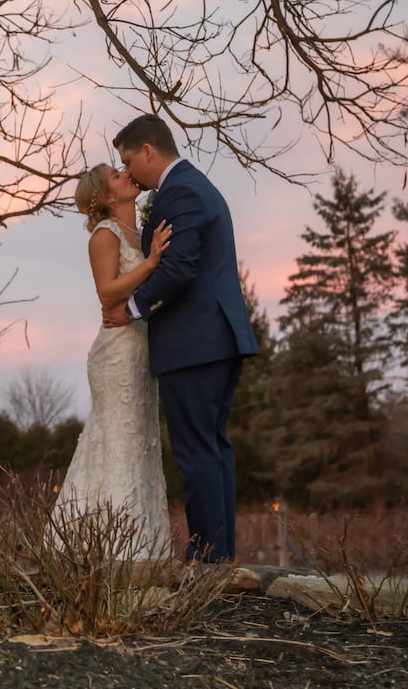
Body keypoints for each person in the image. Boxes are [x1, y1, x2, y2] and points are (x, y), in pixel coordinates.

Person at [103, 113, 258, 563]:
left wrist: (130, 310)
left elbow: (179, 267)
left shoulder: (183, 192)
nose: (128, 171)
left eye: (129, 160)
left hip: (196, 343)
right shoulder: (188, 186)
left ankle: (207, 557)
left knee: (196, 452)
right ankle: (220, 555)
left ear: (149, 151)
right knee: (211, 449)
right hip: (212, 340)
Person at [53, 163, 173, 559]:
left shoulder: (140, 231)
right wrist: (151, 262)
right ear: (107, 197)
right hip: (117, 351)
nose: (126, 174)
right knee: (118, 438)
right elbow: (107, 294)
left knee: (141, 440)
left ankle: (147, 546)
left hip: (141, 347)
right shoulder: (105, 236)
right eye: (117, 176)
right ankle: (114, 550)